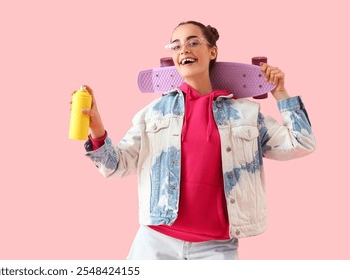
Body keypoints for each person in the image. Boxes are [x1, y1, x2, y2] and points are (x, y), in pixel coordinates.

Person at [75, 20, 316, 260]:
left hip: (216, 248)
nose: (184, 50)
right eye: (176, 46)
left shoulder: (247, 114)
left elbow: (301, 142)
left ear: (212, 52)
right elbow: (116, 166)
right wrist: (97, 129)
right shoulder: (154, 113)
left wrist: (281, 93)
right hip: (155, 242)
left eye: (193, 42)